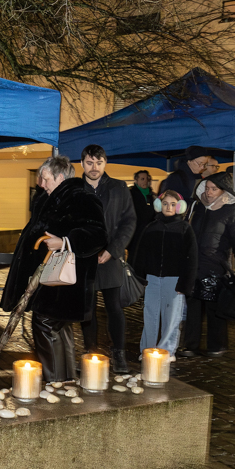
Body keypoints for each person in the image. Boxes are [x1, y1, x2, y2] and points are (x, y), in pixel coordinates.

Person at [0, 156, 107, 382]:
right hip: (52, 279)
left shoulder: (81, 197)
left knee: (46, 324)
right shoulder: (51, 198)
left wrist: (65, 242)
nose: (41, 183)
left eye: (45, 178)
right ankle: (65, 382)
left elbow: (98, 235)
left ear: (60, 177)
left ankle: (55, 383)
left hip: (65, 281)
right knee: (58, 328)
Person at [77, 145, 135, 373]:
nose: (94, 167)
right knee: (87, 309)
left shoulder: (119, 187)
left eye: (99, 163)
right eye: (90, 163)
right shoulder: (74, 189)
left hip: (111, 256)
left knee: (114, 307)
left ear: (105, 163)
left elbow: (129, 221)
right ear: (82, 163)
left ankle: (118, 354)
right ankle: (90, 352)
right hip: (85, 258)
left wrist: (113, 250)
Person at [178, 172, 235, 358]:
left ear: (223, 191)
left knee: (215, 309)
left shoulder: (231, 211)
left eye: (213, 189)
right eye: (207, 188)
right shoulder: (197, 208)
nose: (208, 192)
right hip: (194, 266)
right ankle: (190, 345)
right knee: (193, 308)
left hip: (216, 267)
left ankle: (217, 345)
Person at [132, 190, 197, 362]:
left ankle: (167, 351)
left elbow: (191, 259)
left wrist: (185, 283)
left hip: (174, 280)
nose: (169, 207)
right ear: (159, 205)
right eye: (165, 203)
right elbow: (140, 255)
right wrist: (139, 279)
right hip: (152, 279)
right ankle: (147, 349)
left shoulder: (185, 229)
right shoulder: (151, 227)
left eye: (173, 204)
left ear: (179, 207)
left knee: (172, 317)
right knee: (150, 315)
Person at [127, 170, 155, 262]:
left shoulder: (152, 196)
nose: (145, 181)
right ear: (136, 180)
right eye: (142, 179)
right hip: (135, 232)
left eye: (147, 178)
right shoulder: (131, 194)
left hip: (148, 233)